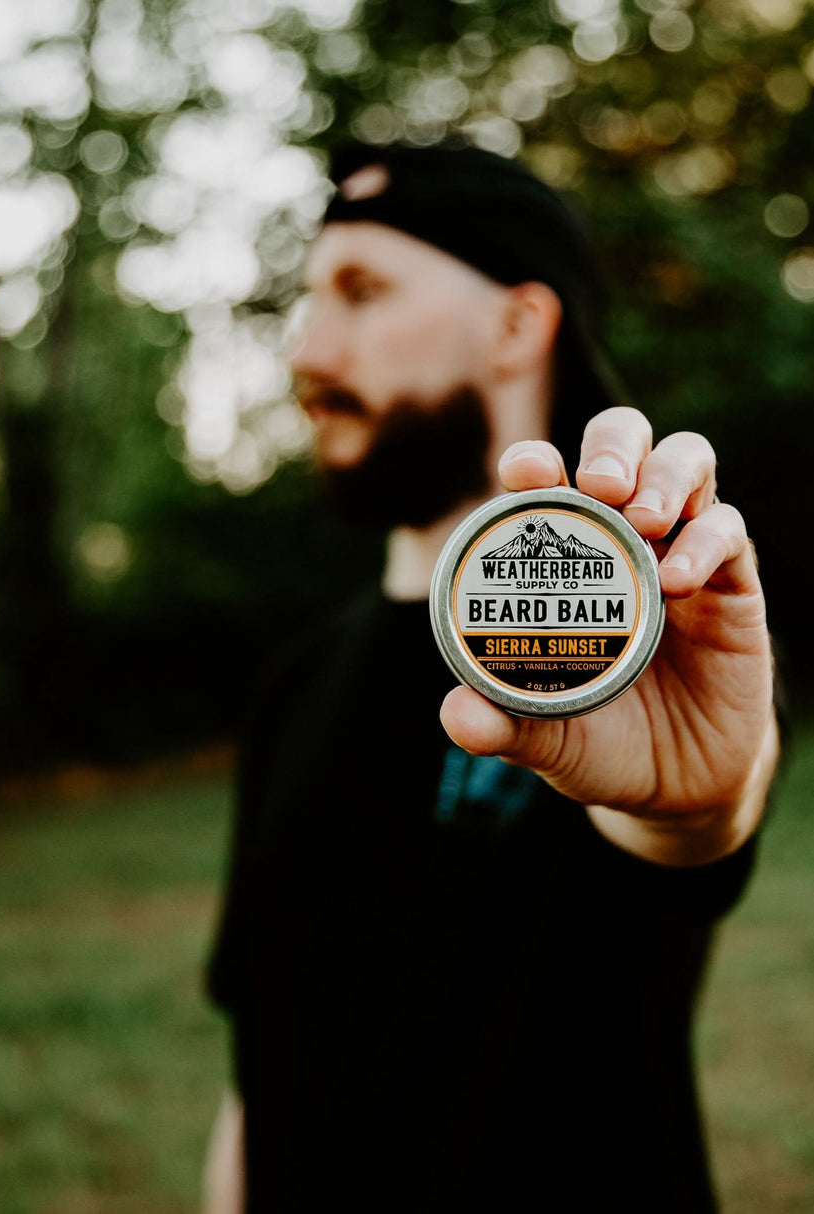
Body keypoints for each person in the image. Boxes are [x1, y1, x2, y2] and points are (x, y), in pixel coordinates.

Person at [201, 140, 780, 1213]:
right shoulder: (292, 681)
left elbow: (686, 835)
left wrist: (704, 796)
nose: (308, 347)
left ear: (519, 324)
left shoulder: (629, 653)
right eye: (307, 297)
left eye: (361, 291)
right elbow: (259, 1064)